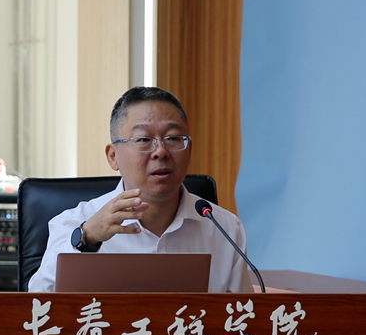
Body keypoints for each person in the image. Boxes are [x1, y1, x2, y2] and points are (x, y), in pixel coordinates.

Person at [26, 87, 251, 293]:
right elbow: (37, 302)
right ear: (113, 157)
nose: (161, 151)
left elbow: (241, 316)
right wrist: (87, 238)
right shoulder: (74, 223)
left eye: (173, 138)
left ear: (189, 151)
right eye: (144, 139)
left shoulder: (225, 229)